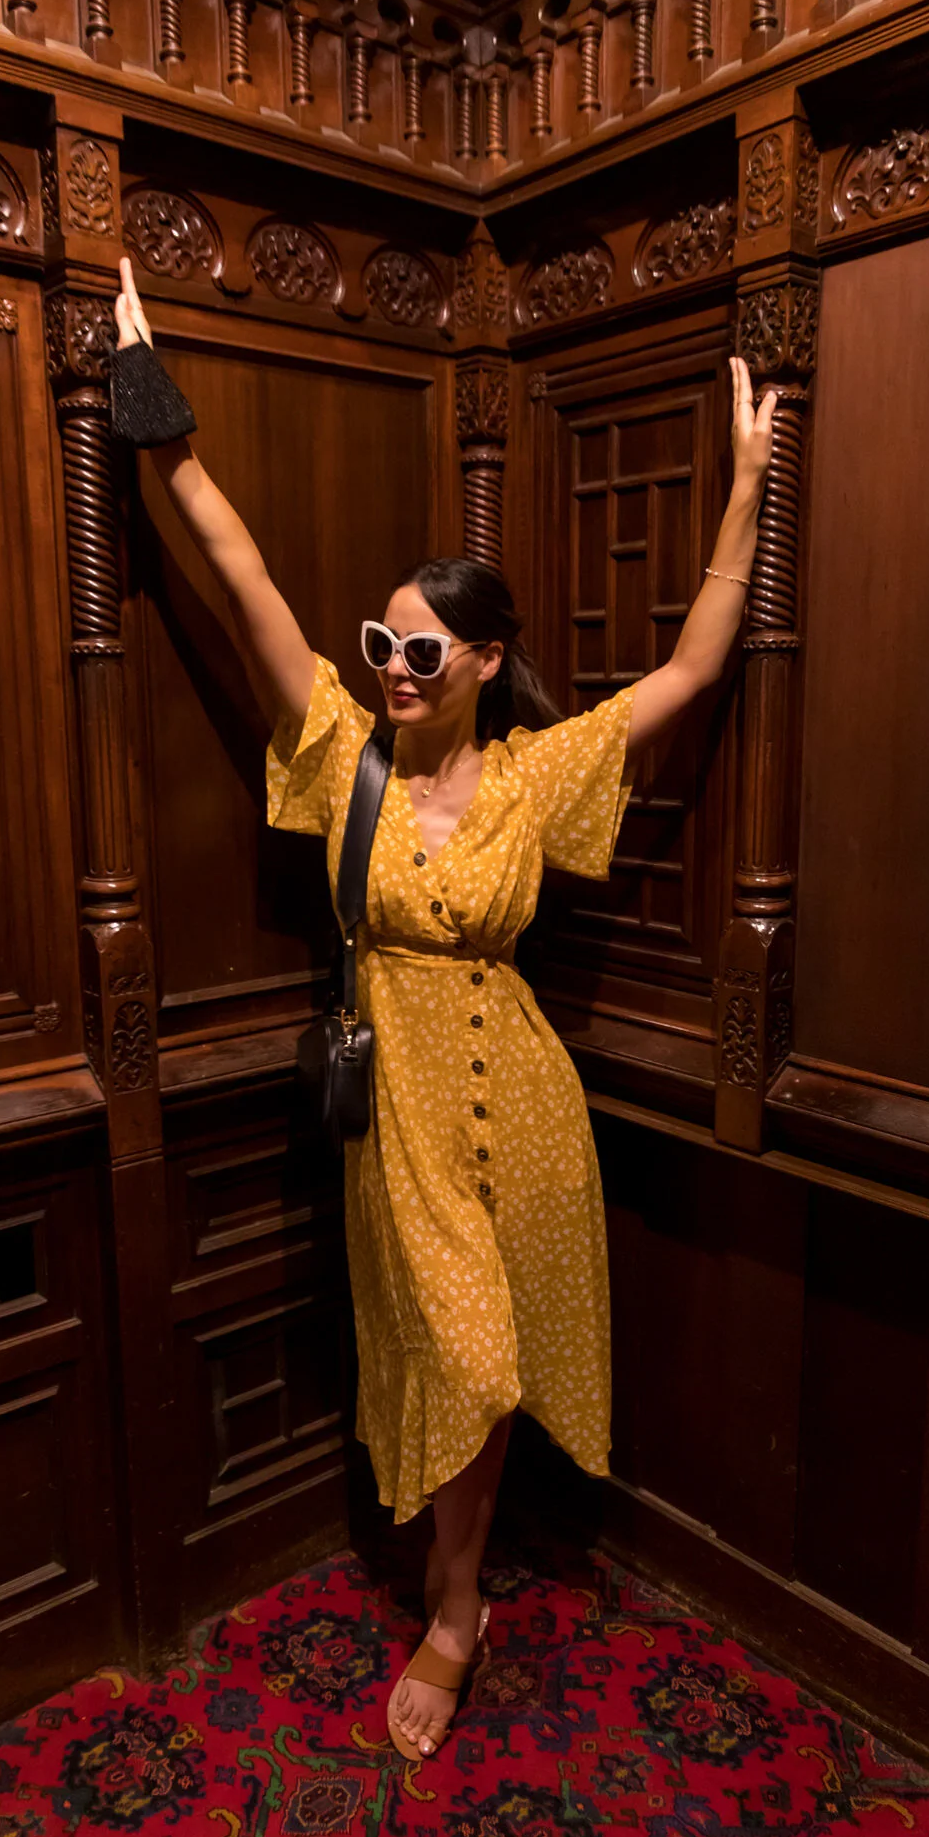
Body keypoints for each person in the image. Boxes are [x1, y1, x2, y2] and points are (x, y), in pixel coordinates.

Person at [111, 256, 776, 1761]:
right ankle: (457, 1603)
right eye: (384, 646)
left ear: (482, 660)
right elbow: (241, 579)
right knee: (466, 1359)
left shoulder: (536, 774)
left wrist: (750, 483)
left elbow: (693, 664)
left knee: (507, 1363)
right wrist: (159, 419)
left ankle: (458, 1593)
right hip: (397, 1100)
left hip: (526, 1098)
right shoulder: (340, 750)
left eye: (425, 652)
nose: (397, 671)